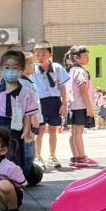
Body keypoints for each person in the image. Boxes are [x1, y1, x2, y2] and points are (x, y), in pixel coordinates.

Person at [0, 50, 38, 170]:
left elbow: (27, 115)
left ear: (21, 69)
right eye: (6, 67)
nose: (10, 71)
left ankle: (11, 178)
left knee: (13, 157)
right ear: (1, 69)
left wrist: (26, 132)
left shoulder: (26, 93)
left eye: (15, 68)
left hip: (15, 128)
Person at [31, 41, 69, 169]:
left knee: (53, 129)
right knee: (40, 130)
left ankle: (52, 156)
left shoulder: (57, 68)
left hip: (54, 101)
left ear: (50, 55)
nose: (40, 58)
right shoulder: (33, 69)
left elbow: (62, 86)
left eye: (43, 55)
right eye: (37, 55)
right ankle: (37, 156)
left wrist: (64, 103)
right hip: (40, 102)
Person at [64, 45, 98, 167]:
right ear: (76, 57)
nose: (87, 58)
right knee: (78, 132)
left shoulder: (71, 71)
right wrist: (89, 107)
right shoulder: (80, 71)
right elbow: (83, 89)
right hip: (80, 105)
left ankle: (75, 157)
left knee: (73, 131)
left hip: (72, 105)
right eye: (85, 55)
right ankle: (82, 157)